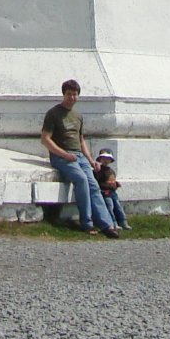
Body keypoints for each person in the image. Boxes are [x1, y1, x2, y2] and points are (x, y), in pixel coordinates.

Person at [40, 79, 119, 237]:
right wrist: (64, 154)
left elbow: (81, 139)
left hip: (79, 156)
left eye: (75, 94)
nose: (72, 97)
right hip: (62, 156)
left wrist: (91, 160)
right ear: (64, 95)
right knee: (81, 180)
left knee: (94, 186)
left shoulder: (78, 116)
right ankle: (86, 223)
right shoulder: (53, 113)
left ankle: (107, 225)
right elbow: (45, 139)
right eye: (69, 94)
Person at [94, 148, 130, 232]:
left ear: (111, 160)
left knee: (118, 207)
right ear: (100, 159)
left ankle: (123, 221)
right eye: (104, 158)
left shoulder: (111, 171)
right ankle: (113, 223)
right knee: (110, 207)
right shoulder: (98, 171)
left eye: (108, 159)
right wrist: (105, 187)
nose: (106, 160)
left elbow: (112, 180)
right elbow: (98, 183)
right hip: (106, 193)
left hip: (113, 192)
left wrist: (116, 184)